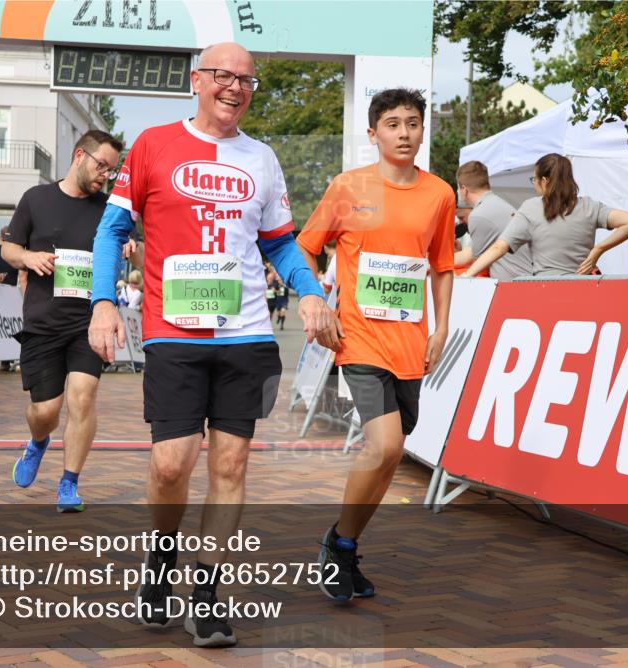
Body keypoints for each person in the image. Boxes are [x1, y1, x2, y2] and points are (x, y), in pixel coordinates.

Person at [88, 42, 332, 647]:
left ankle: (208, 593)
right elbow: (113, 229)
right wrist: (101, 302)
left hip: (246, 331)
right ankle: (161, 566)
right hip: (173, 334)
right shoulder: (151, 145)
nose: (235, 87)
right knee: (171, 464)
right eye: (223, 75)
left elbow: (278, 241)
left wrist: (308, 288)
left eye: (246, 79)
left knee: (230, 463)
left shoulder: (263, 159)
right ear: (197, 80)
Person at [297, 88, 455, 602]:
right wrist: (317, 300)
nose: (404, 132)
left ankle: (342, 543)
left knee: (391, 453)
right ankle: (341, 548)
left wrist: (442, 327)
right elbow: (305, 245)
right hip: (358, 338)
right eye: (392, 124)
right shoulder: (349, 187)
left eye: (412, 123)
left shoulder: (439, 194)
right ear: (373, 133)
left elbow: (443, 266)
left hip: (411, 342)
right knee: (384, 445)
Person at [2, 129, 126, 512]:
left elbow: (131, 251)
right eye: (101, 165)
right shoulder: (36, 199)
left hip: (89, 322)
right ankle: (38, 441)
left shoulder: (110, 208)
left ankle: (69, 484)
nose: (105, 174)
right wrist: (28, 258)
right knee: (46, 411)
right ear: (79, 155)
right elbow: (8, 248)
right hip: (43, 321)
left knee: (83, 398)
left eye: (112, 169)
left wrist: (130, 247)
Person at [464, 153, 628, 277]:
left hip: (546, 288)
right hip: (583, 287)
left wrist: (467, 275)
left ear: (544, 180)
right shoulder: (589, 206)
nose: (534, 184)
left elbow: (499, 248)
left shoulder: (531, 208)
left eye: (534, 179)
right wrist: (598, 251)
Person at [453, 161, 532, 280]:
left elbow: (476, 260)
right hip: (524, 279)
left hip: (512, 285)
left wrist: (438, 264)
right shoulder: (497, 203)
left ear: (464, 189)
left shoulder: (479, 214)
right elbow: (471, 253)